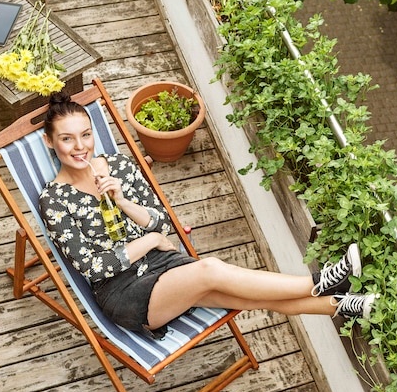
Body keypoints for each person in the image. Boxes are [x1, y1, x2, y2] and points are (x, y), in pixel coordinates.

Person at [37, 92, 378, 338]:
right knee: (211, 269)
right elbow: (95, 268)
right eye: (66, 139)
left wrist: (123, 201)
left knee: (249, 298)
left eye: (85, 134)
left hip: (163, 268)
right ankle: (318, 281)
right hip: (124, 292)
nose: (79, 146)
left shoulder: (120, 165)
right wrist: (153, 240)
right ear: (50, 142)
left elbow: (160, 220)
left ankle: (345, 304)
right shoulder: (54, 200)